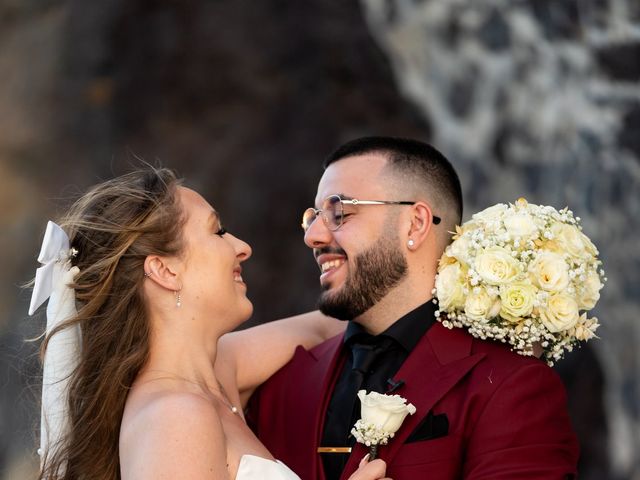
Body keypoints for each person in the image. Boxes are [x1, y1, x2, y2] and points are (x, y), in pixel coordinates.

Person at [249, 136, 580, 479]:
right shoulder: (280, 383)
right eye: (313, 217)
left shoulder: (510, 383)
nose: (313, 236)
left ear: (416, 223)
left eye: (339, 212)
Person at [31, 167, 392, 480]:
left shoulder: (218, 372)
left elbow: (325, 327)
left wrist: (438, 278)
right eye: (217, 232)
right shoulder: (174, 418)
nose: (242, 246)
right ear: (164, 270)